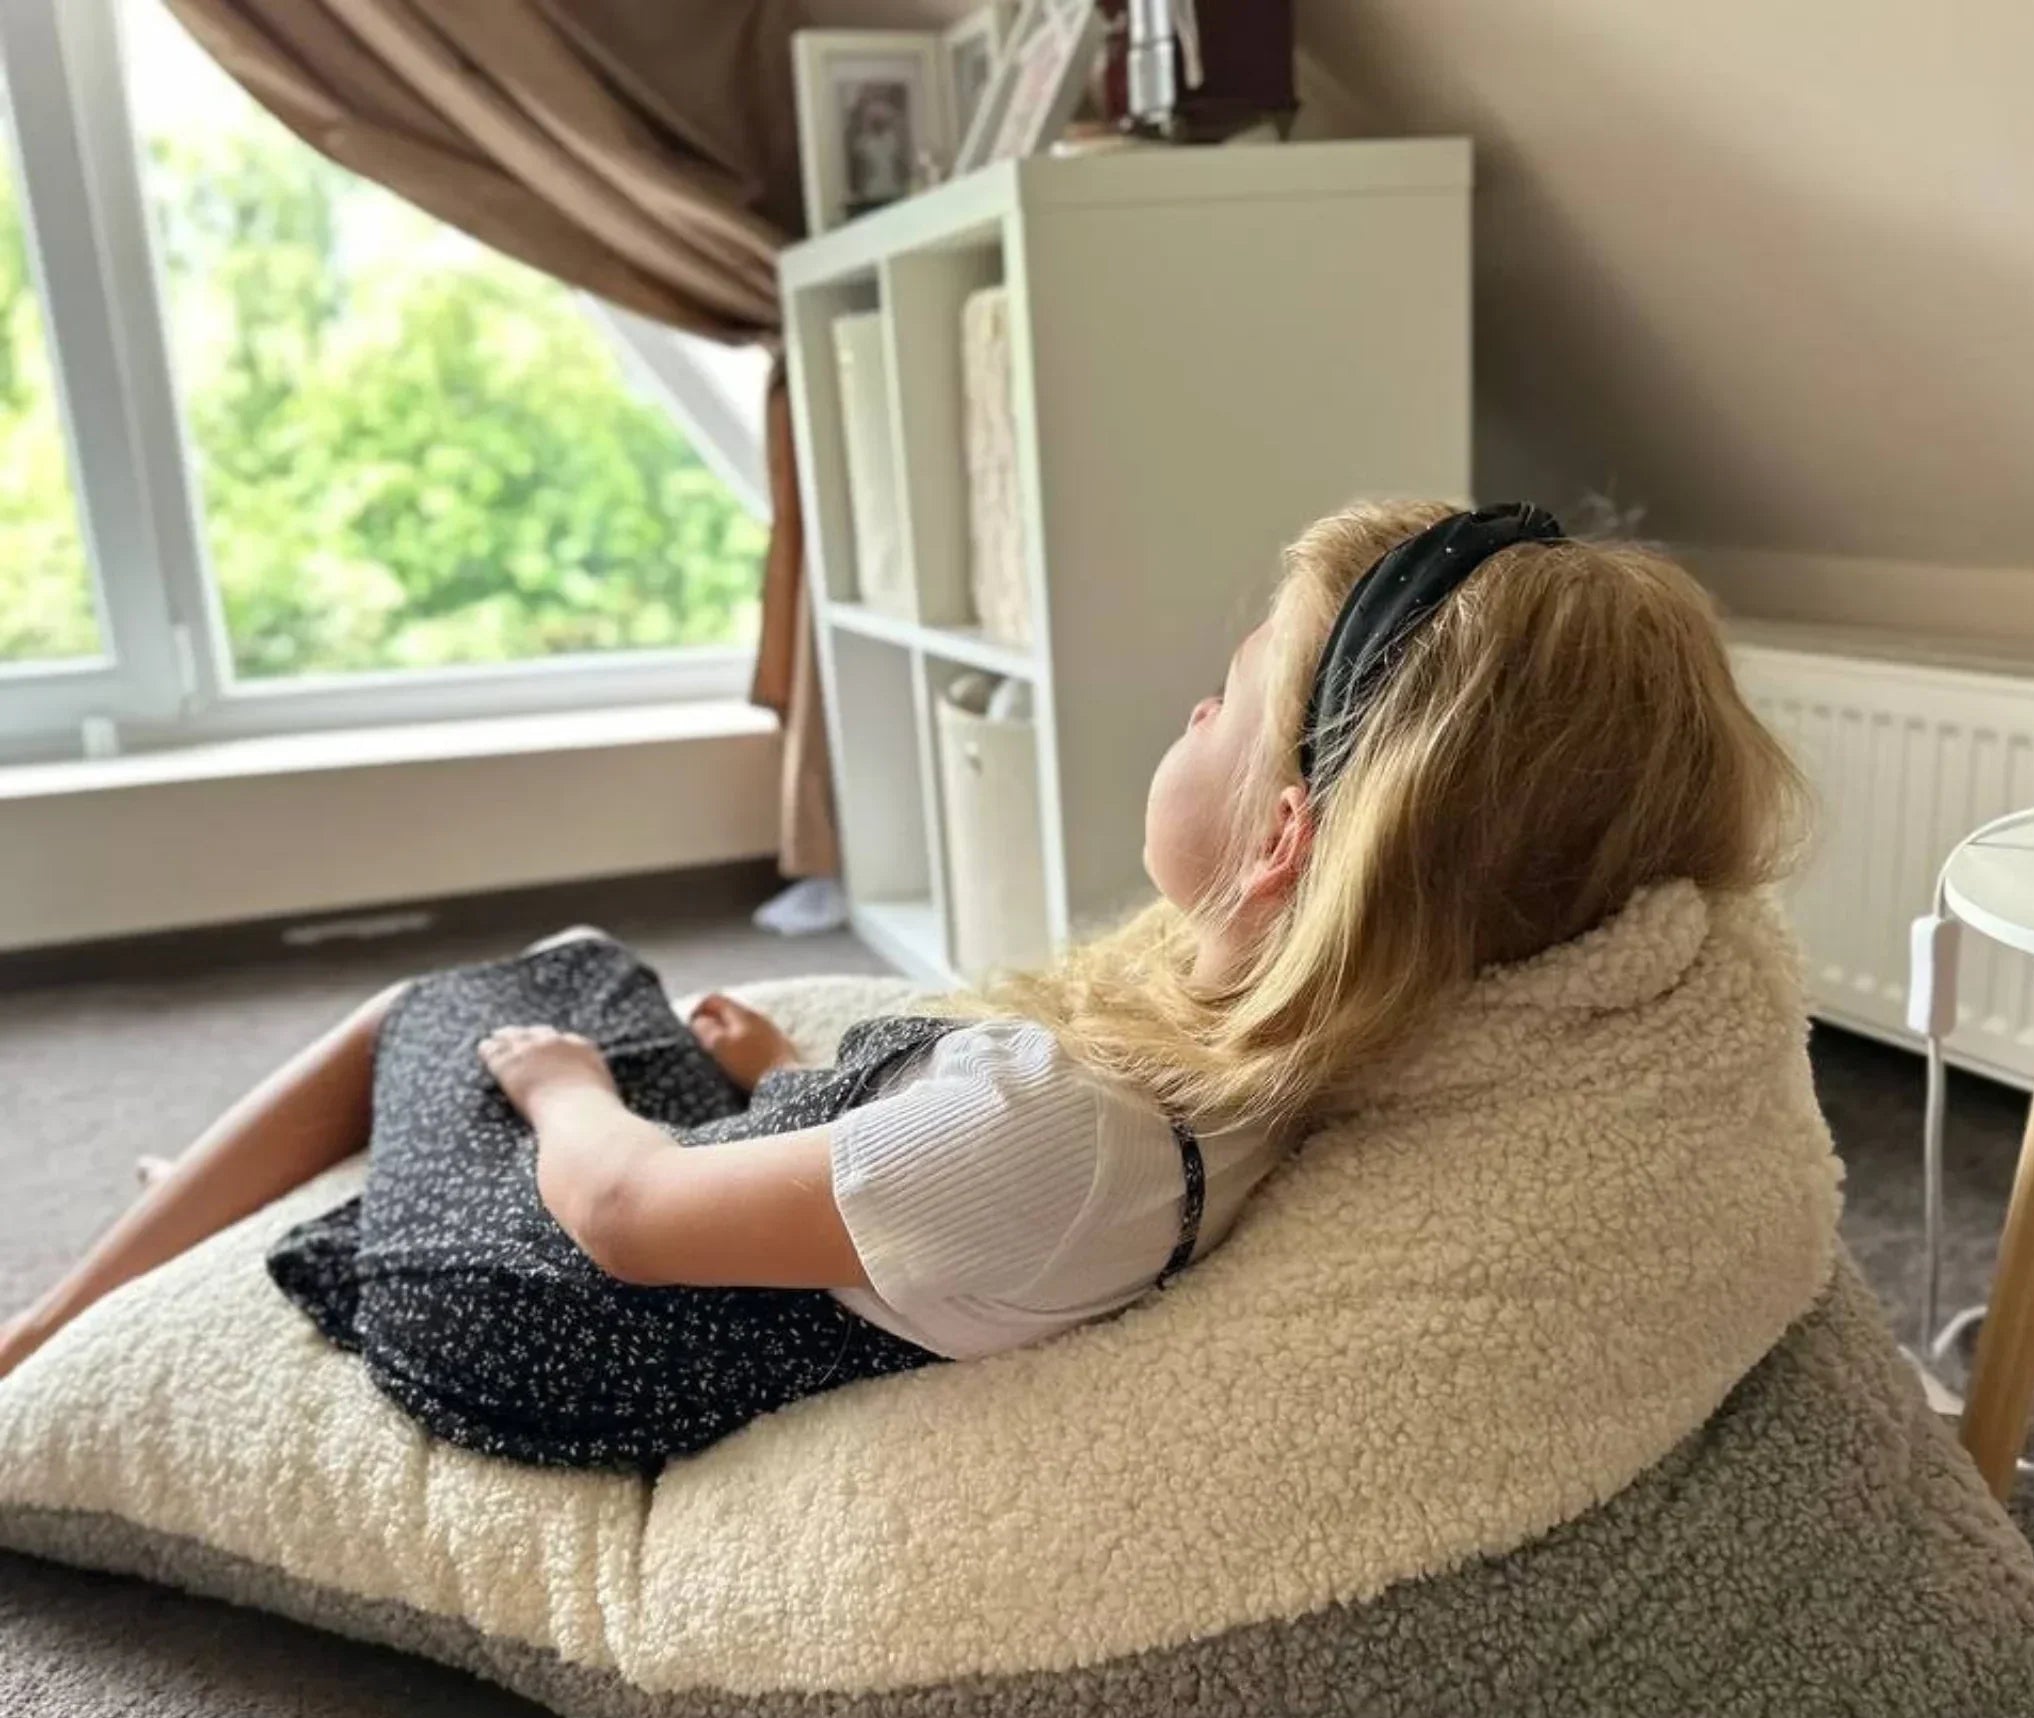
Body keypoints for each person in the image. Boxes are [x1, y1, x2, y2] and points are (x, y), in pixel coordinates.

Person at [0, 500, 1811, 1480]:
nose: (1188, 708)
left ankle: (53, 1330)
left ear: (1279, 842)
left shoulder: (1064, 1137)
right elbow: (932, 1169)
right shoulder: (1240, 1068)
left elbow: (627, 1217)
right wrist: (795, 1068)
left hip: (541, 1316)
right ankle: (252, 1200)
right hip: (752, 1223)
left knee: (474, 1005)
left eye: (1223, 689)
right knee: (589, 986)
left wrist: (565, 1088)